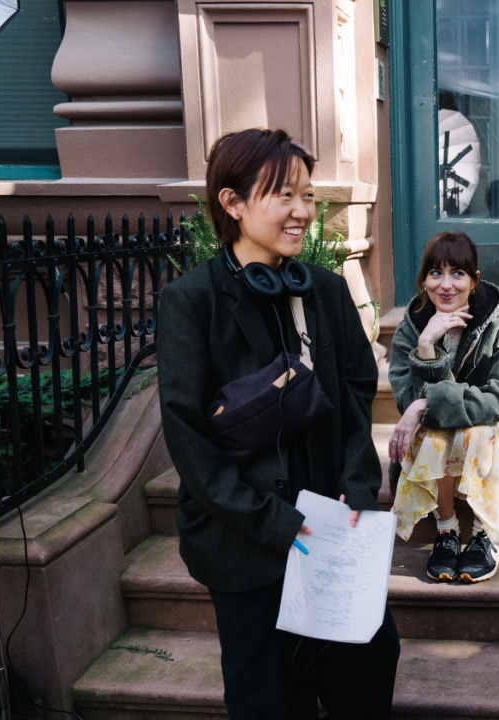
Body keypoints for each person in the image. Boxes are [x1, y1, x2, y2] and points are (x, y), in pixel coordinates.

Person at [156, 128, 399, 719]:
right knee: (269, 698)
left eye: (307, 196)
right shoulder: (192, 302)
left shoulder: (324, 289)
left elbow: (356, 391)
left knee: (366, 669)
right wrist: (272, 522)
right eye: (283, 196)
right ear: (232, 204)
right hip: (246, 544)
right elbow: (188, 436)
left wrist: (357, 482)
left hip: (331, 531)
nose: (301, 212)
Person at [387, 231, 499, 583]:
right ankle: (447, 530)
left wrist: (426, 403)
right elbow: (403, 400)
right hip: (438, 447)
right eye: (435, 273)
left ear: (473, 281)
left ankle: (486, 534)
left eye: (457, 273)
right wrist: (426, 345)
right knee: (438, 432)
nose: (445, 285)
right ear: (423, 279)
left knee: (477, 432)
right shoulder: (412, 330)